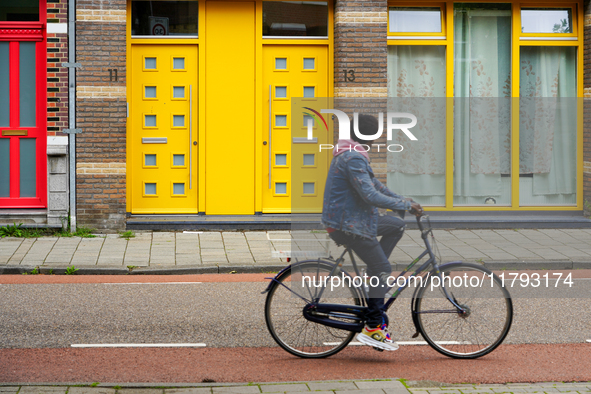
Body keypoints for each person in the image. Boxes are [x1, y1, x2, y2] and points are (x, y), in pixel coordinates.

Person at [321, 113, 423, 351]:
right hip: (348, 225)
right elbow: (370, 196)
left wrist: (403, 200)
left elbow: (376, 186)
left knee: (396, 225)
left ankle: (373, 281)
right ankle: (373, 328)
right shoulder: (352, 158)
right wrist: (406, 206)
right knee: (382, 269)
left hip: (356, 220)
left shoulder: (354, 154)